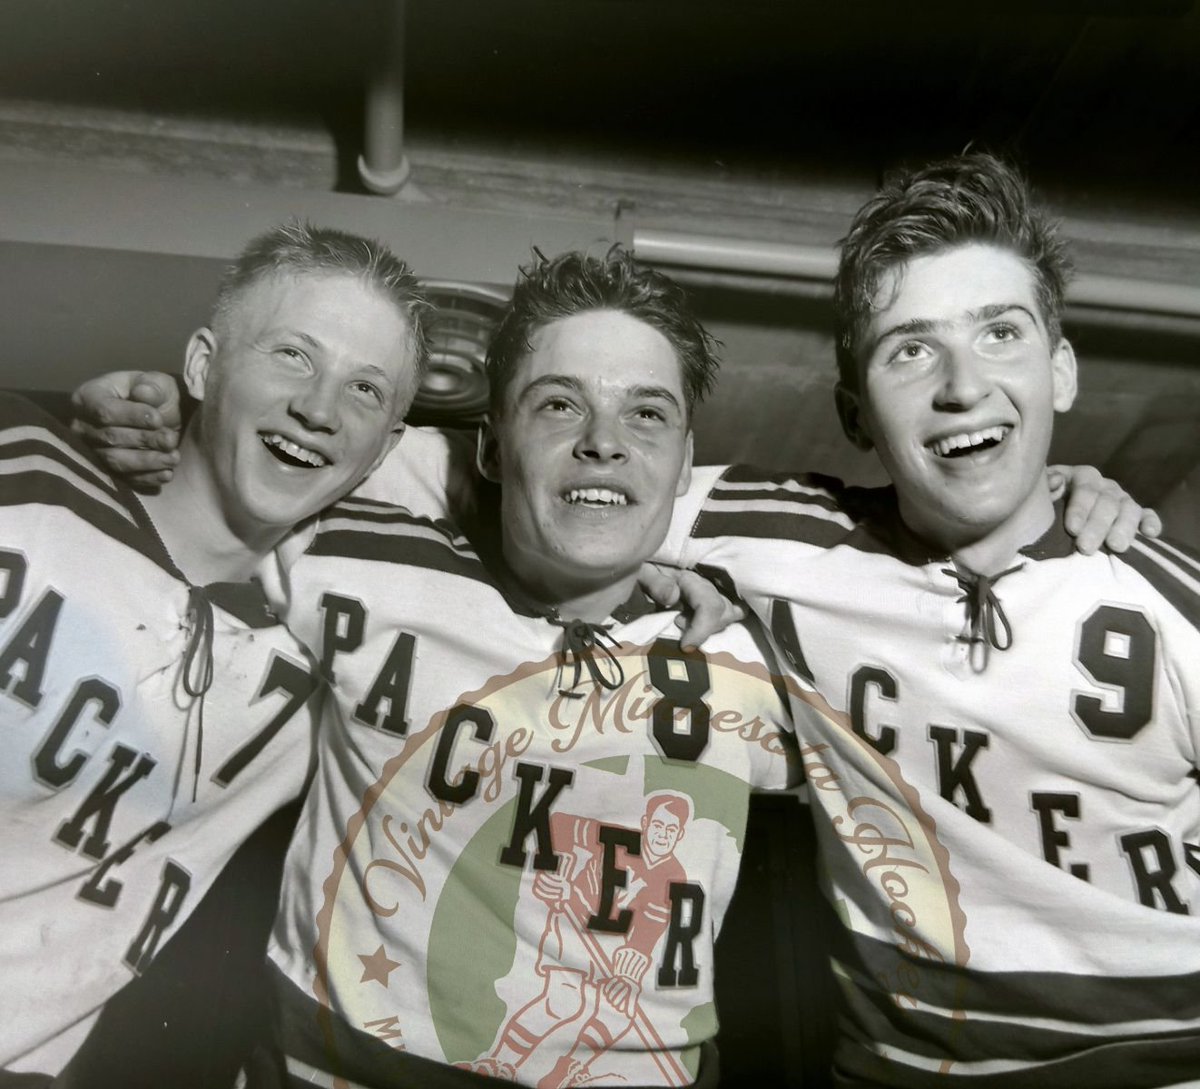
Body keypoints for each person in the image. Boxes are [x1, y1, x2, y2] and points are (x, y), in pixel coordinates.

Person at [656, 153, 1200, 1086]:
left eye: (1000, 334)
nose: (962, 385)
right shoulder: (786, 540)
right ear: (855, 413)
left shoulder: (1171, 603)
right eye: (910, 349)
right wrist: (645, 579)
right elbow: (568, 487)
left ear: (1061, 371)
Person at [262, 249, 806, 1088]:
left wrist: (1074, 499)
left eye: (647, 415)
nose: (604, 443)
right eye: (559, 405)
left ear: (685, 459)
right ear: (487, 447)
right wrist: (153, 418)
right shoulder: (359, 563)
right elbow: (211, 484)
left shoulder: (757, 654)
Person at [0, 221, 430, 1082]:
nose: (319, 408)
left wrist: (680, 580)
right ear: (201, 366)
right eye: (293, 356)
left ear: (386, 450)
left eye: (365, 390)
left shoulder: (339, 647)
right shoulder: (25, 480)